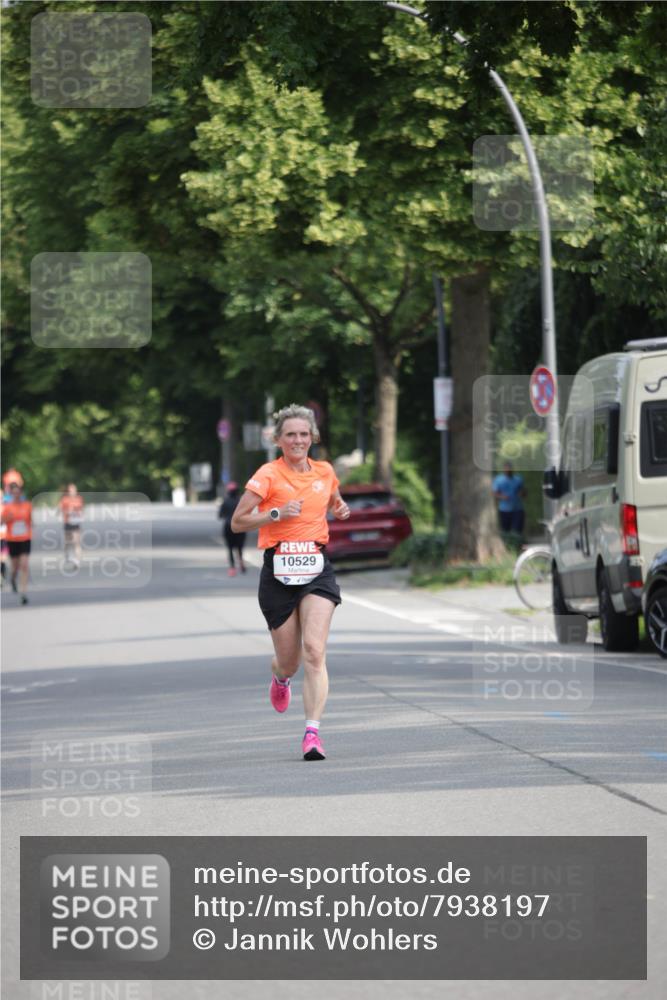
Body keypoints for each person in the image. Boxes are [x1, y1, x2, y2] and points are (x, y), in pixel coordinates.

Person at [231, 403, 350, 761]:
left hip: (316, 567)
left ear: (312, 437)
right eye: (290, 435)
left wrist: (340, 508)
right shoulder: (267, 474)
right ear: (278, 439)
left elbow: (332, 499)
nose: (298, 440)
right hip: (279, 571)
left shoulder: (326, 471)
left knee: (315, 651)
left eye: (303, 434)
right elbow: (238, 521)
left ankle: (312, 734)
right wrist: (275, 513)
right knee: (290, 661)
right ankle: (280, 677)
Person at [1, 473, 33, 605]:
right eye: (14, 493)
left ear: (21, 493)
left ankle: (23, 592)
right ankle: (13, 579)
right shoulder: (7, 508)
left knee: (24, 565)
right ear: (11, 494)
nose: (17, 495)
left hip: (25, 538)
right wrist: (8, 519)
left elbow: (31, 521)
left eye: (18, 493)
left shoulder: (27, 506)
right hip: (13, 539)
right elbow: (2, 521)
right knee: (15, 567)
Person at [218, 481, 246, 576]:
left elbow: (220, 515)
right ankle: (241, 562)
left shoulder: (225, 501)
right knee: (240, 547)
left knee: (230, 548)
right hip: (240, 526)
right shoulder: (241, 501)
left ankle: (232, 568)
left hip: (228, 527)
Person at [493, 461, 526, 538]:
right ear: (503, 469)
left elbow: (524, 492)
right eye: (506, 469)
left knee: (518, 530)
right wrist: (502, 497)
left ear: (512, 469)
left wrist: (522, 493)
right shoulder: (498, 480)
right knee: (505, 530)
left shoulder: (518, 479)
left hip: (518, 509)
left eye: (510, 468)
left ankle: (517, 545)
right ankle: (508, 546)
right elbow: (495, 493)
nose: (508, 470)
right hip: (504, 509)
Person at [58, 483, 84, 567]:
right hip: (68, 522)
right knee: (68, 542)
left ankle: (77, 561)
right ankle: (67, 555)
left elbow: (81, 510)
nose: (73, 492)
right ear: (68, 491)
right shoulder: (65, 499)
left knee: (76, 542)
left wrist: (79, 514)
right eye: (71, 490)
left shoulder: (79, 499)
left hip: (76, 522)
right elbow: (60, 509)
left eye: (74, 490)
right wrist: (67, 512)